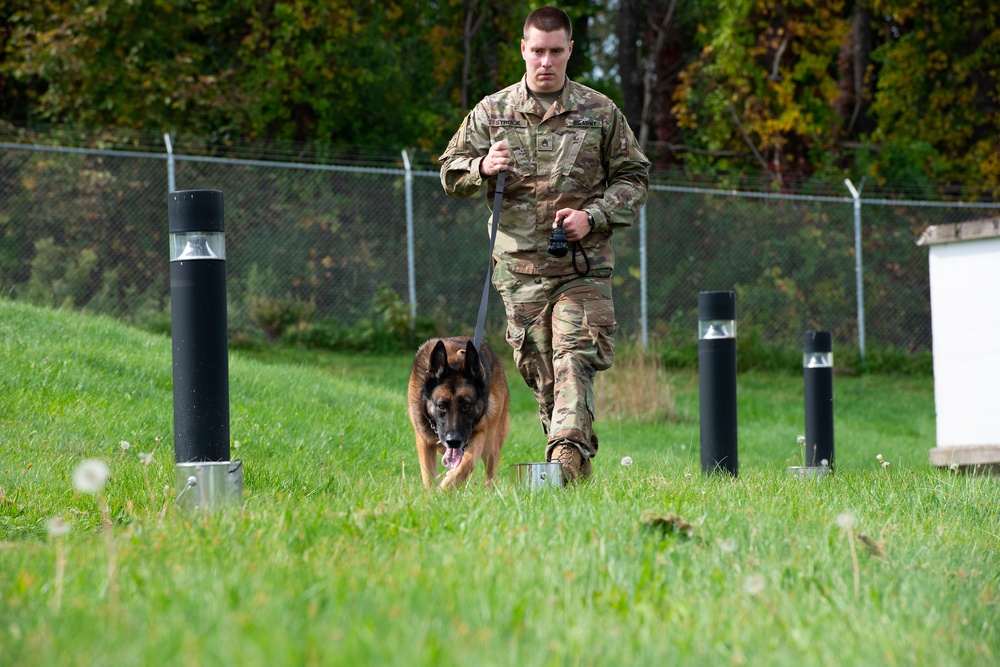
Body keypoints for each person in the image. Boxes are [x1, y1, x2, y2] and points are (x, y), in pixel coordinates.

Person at [438, 5, 650, 482]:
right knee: (548, 385)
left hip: (582, 271)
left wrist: (592, 217)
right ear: (523, 50)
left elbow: (635, 180)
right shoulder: (492, 112)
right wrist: (482, 168)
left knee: (573, 359)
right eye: (538, 51)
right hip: (520, 278)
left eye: (556, 51)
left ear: (570, 50)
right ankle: (571, 473)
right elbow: (449, 171)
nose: (546, 61)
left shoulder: (599, 114)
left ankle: (563, 460)